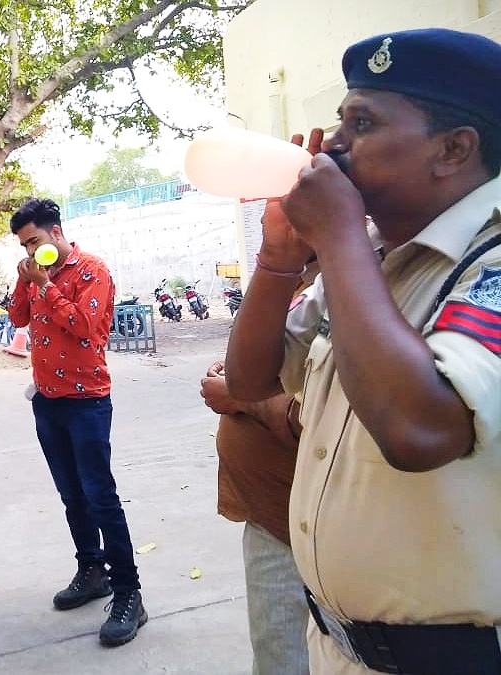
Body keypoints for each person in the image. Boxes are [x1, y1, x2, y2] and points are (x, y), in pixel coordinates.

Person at [224, 28, 501, 674]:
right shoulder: (372, 255)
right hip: (341, 651)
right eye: (340, 120)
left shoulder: (484, 261)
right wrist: (279, 258)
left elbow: (419, 430)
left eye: (363, 123)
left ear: (454, 149)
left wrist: (339, 235)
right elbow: (250, 379)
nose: (333, 145)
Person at [7, 197, 145, 647]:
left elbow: (86, 326)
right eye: (24, 246)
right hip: (47, 401)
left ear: (56, 232)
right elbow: (18, 318)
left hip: (87, 402)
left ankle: (129, 593)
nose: (31, 251)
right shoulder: (35, 272)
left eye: (35, 241)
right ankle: (91, 569)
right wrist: (26, 280)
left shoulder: (92, 270)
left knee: (100, 497)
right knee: (72, 495)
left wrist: (46, 285)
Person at [200, 363, 309, 674]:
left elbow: (321, 415)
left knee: (285, 656)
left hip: (296, 526)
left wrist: (241, 396)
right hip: (272, 516)